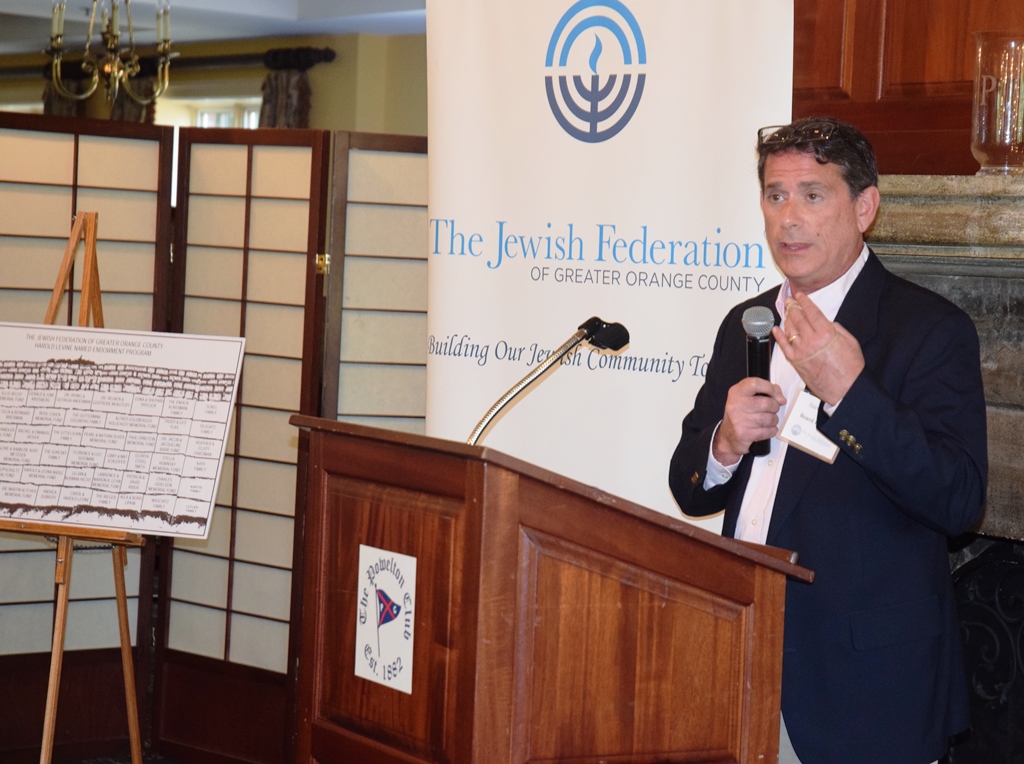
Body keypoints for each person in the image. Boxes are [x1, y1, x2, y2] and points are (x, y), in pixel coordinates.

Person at [668, 117, 988, 764]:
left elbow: (958, 501)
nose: (788, 218)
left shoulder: (929, 329)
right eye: (775, 195)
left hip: (864, 691)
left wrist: (851, 395)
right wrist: (724, 444)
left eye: (812, 195)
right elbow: (690, 486)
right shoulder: (746, 323)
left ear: (864, 208)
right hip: (741, 660)